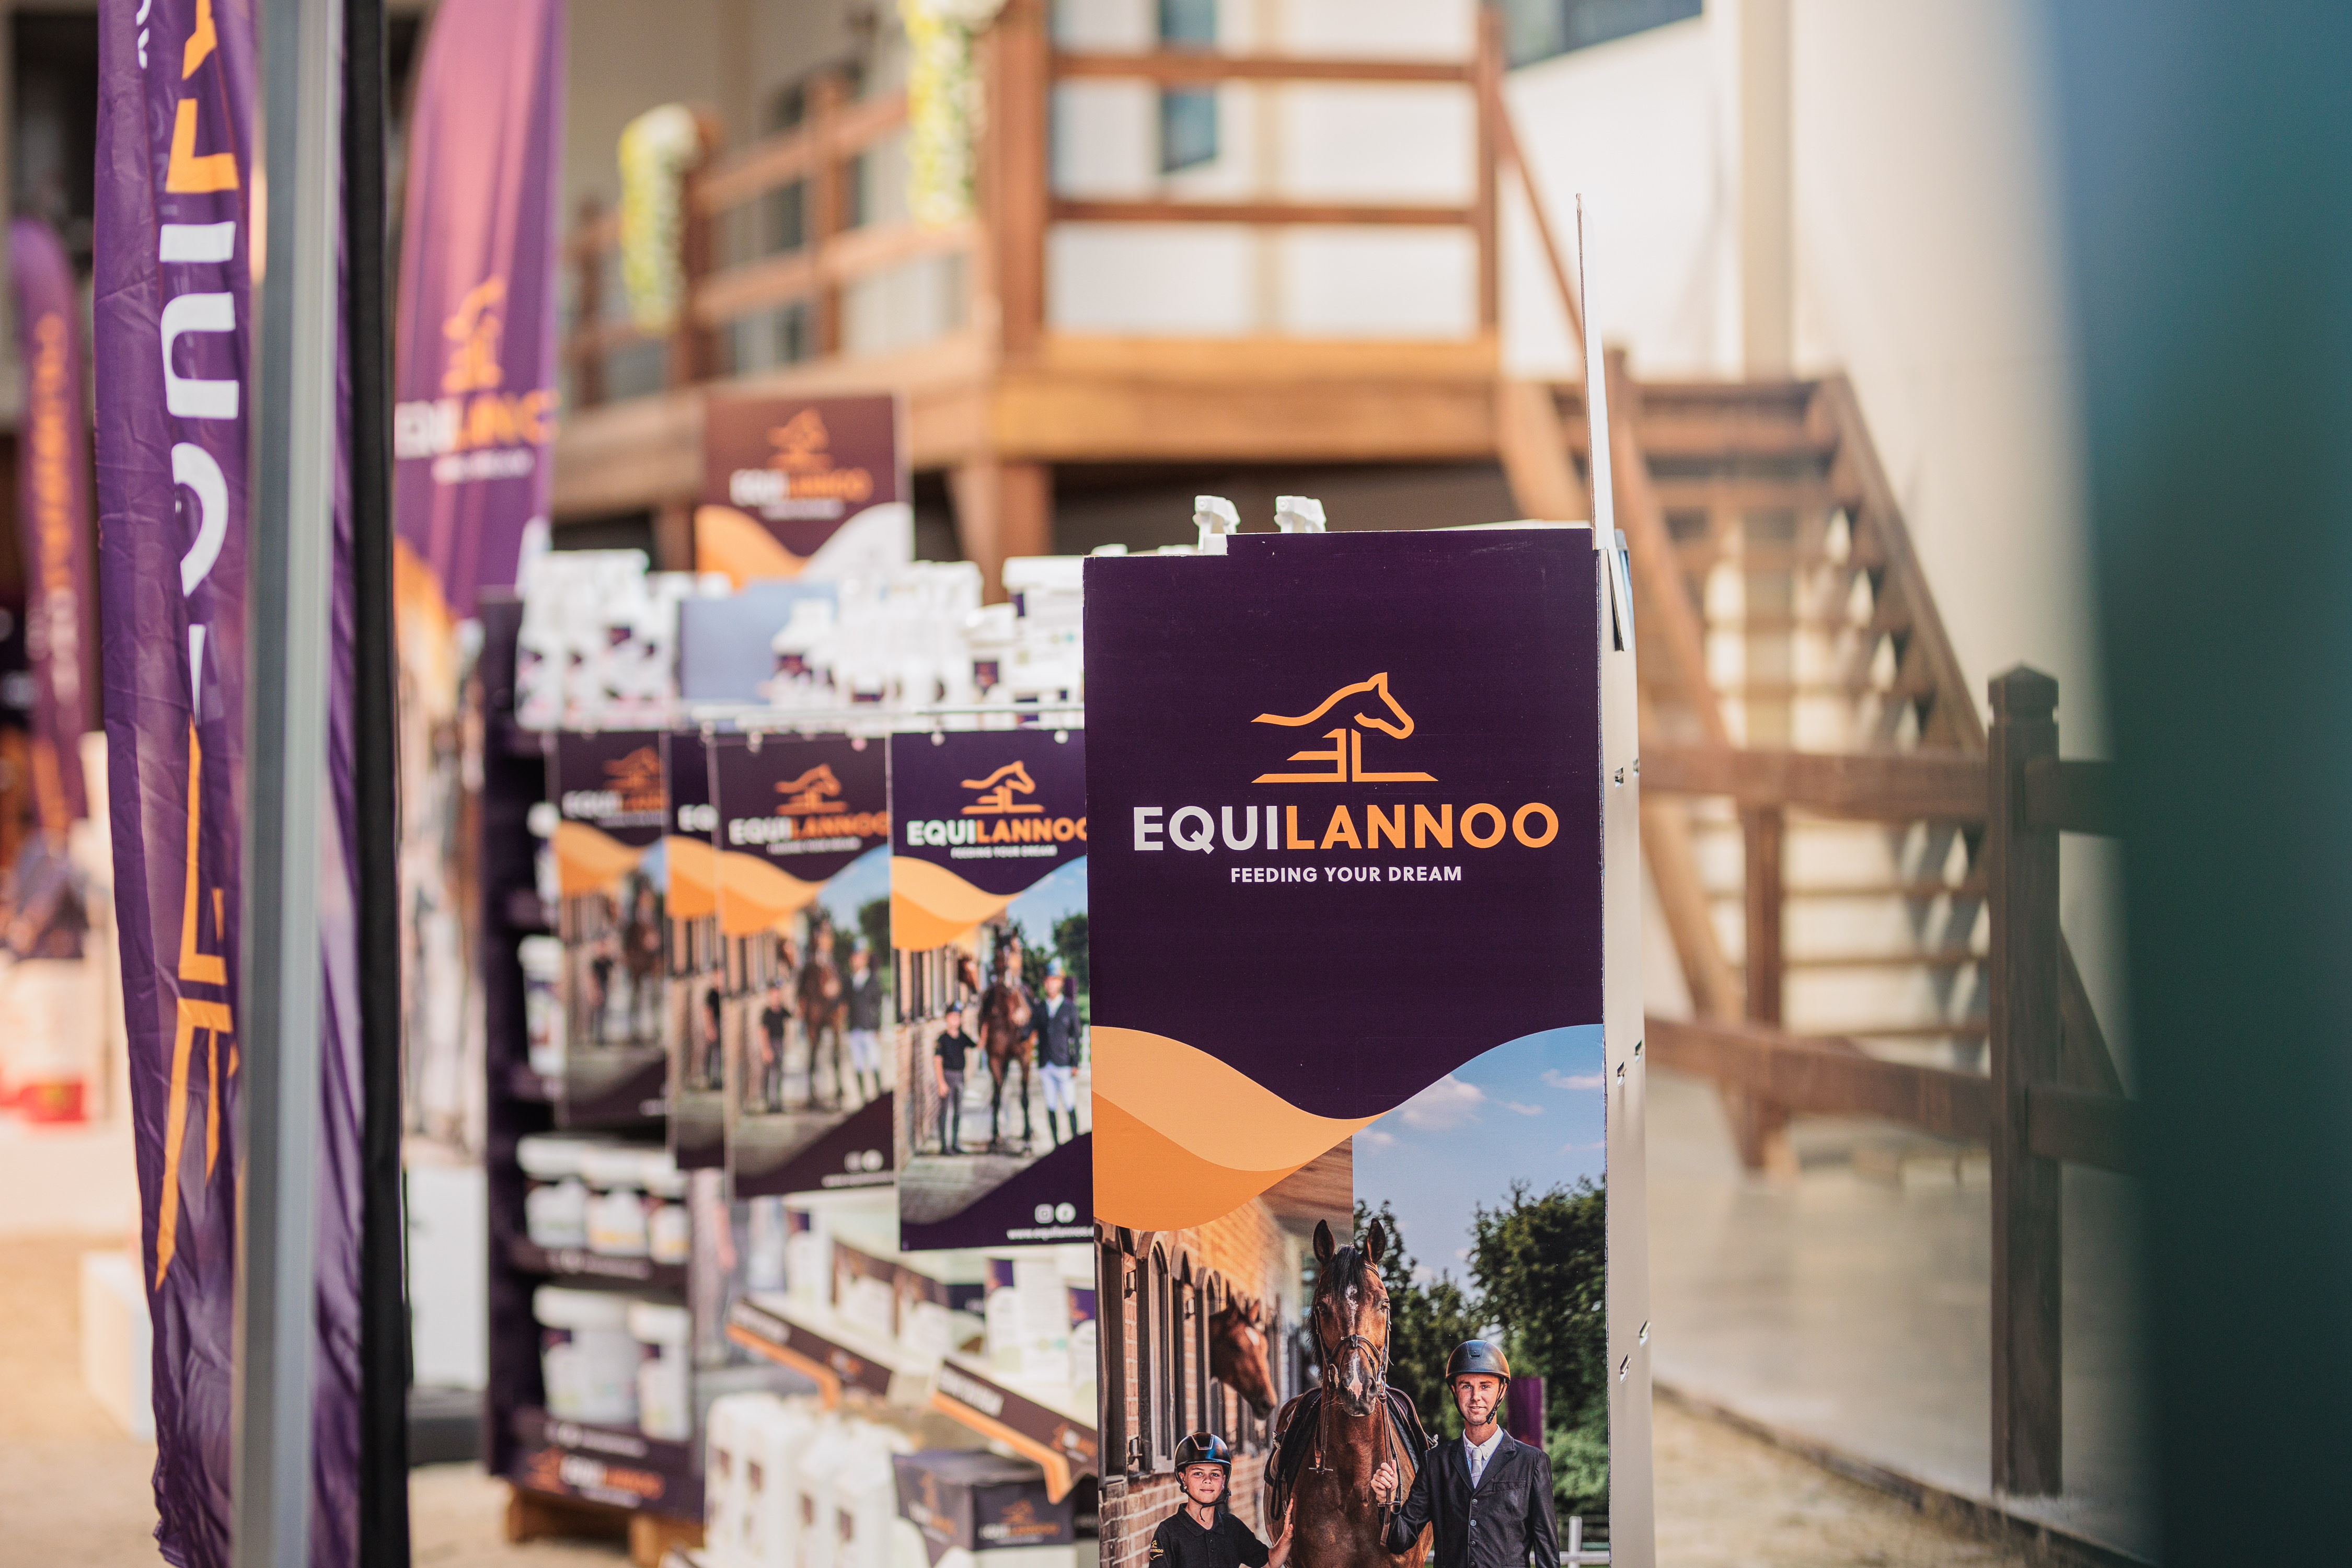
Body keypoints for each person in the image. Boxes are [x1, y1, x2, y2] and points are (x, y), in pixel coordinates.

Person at [1371, 1341, 1558, 1568]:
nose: (1476, 1396)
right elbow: (1399, 1541)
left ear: (1501, 1390)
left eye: (1485, 1386)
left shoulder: (1532, 1462)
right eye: (1466, 1386)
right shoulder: (1435, 1462)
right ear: (1454, 1390)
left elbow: (1547, 1553)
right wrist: (1387, 1501)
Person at [1149, 1433, 1294, 1568]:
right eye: (1198, 1473)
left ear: (1223, 1481)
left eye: (1215, 1474)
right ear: (1183, 1478)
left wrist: (1286, 1537)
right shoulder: (1168, 1532)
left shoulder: (1232, 1527)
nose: (1208, 1480)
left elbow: (1268, 1563)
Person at [1031, 959, 1082, 1145]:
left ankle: (1075, 1143)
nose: (1050, 984)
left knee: (1069, 1104)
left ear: (1060, 983)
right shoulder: (1039, 1008)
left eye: (1054, 980)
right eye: (1047, 981)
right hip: (1046, 1064)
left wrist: (1075, 1063)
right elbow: (1028, 1030)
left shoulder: (1069, 1007)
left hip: (1063, 1063)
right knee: (1051, 1105)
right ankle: (1056, 1145)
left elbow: (1076, 1037)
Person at [932, 1004, 976, 1154]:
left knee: (958, 1111)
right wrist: (941, 1082)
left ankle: (955, 1143)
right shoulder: (942, 1039)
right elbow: (937, 1061)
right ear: (947, 1018)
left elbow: (977, 1045)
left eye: (958, 1017)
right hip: (947, 1076)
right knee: (945, 1111)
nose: (955, 1020)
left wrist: (985, 1030)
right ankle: (944, 1146)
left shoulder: (962, 1037)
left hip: (960, 1076)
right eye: (952, 1017)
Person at [844, 943, 885, 1102]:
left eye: (859, 958)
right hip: (855, 1028)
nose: (856, 961)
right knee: (858, 1064)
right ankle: (863, 1099)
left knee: (874, 1062)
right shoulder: (849, 980)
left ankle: (879, 1097)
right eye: (854, 958)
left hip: (869, 1028)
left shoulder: (872, 980)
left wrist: (878, 1026)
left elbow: (878, 1005)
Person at [757, 981, 792, 1112]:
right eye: (774, 995)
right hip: (770, 1044)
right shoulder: (767, 1013)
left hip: (780, 1044)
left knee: (779, 1074)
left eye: (778, 995)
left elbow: (793, 1015)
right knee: (770, 1075)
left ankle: (777, 1102)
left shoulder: (782, 1010)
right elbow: (763, 1031)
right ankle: (769, 1103)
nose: (776, 998)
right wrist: (766, 1049)